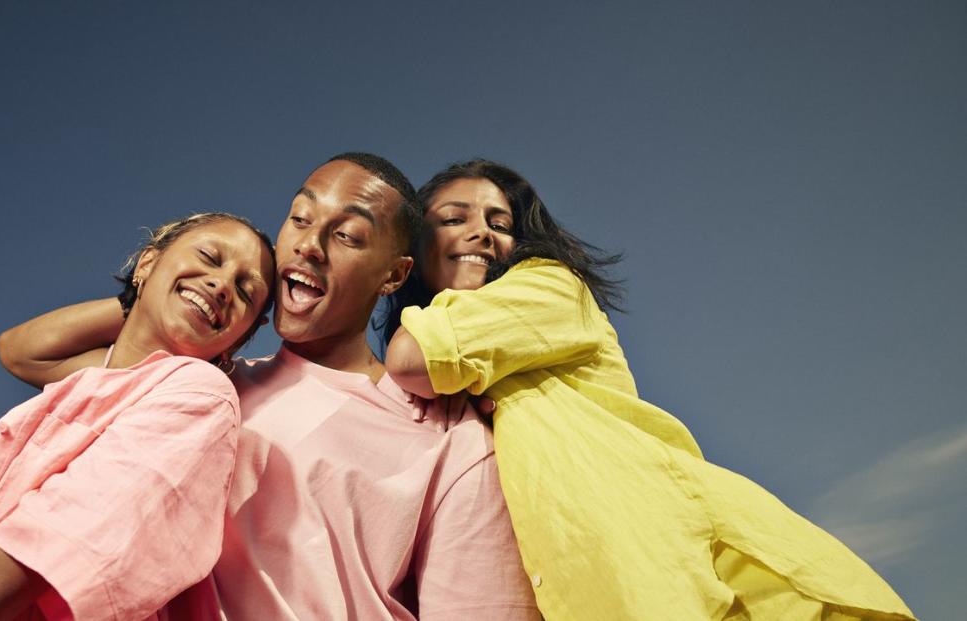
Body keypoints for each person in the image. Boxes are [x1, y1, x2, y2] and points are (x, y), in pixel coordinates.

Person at [0, 153, 540, 620]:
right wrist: (162, 293)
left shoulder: (450, 436)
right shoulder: (203, 383)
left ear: (394, 275)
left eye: (348, 235)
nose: (310, 245)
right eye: (300, 218)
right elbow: (27, 352)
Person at [384, 159, 917, 620]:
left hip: (716, 585)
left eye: (500, 224)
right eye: (454, 219)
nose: (482, 232)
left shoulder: (547, 286)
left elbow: (413, 358)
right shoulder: (447, 398)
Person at [0, 212, 277, 621]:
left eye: (246, 292)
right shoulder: (100, 380)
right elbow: (19, 349)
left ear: (241, 337)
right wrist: (143, 296)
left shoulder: (199, 394)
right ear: (147, 262)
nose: (224, 285)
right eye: (210, 257)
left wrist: (160, 291)